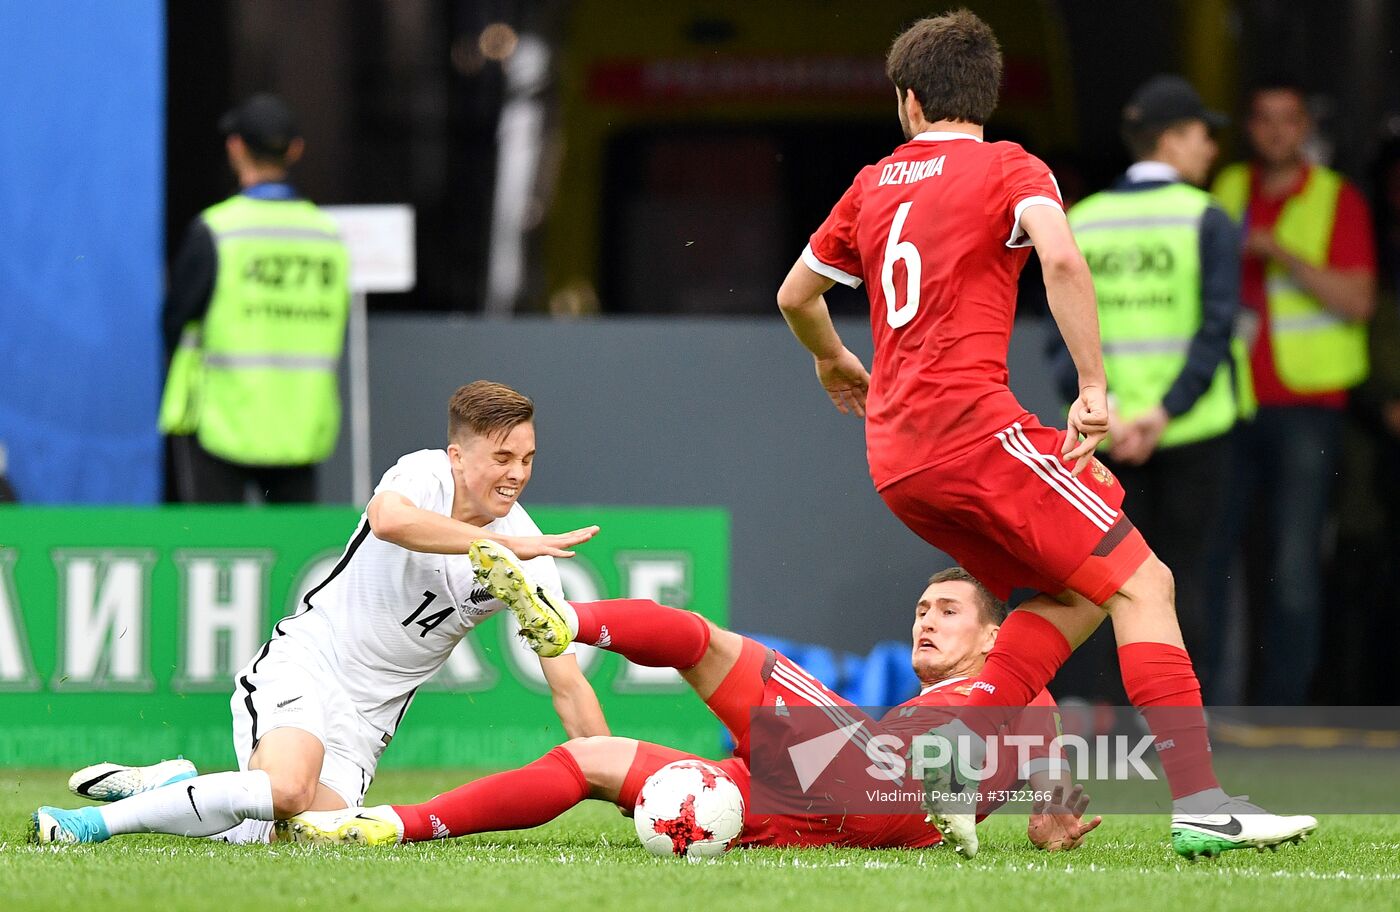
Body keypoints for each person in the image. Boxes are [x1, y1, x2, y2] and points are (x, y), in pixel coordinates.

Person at [771, 10, 1313, 857]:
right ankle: (1203, 801)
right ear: (986, 96)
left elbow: (795, 296)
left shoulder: (872, 182)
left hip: (897, 459)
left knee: (1077, 593)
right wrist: (1094, 387)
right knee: (1146, 583)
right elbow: (1059, 258)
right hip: (973, 436)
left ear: (909, 102)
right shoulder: (1009, 165)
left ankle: (970, 766)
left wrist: (834, 362)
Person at [31, 381, 607, 845]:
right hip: (310, 662)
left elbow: (567, 684)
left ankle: (183, 784)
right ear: (457, 456)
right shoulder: (423, 475)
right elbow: (390, 522)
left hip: (367, 722)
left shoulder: (530, 552)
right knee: (285, 790)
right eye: (502, 457)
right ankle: (90, 827)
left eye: (528, 459)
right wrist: (497, 549)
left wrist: (626, 778)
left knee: (294, 835)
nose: (517, 474)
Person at [278, 559, 1103, 856]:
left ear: (999, 638)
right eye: (921, 609)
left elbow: (1041, 717)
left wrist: (1050, 799)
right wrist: (1044, 810)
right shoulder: (994, 703)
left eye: (948, 611)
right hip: (820, 809)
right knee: (591, 763)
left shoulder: (1014, 683)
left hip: (862, 768)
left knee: (706, 644)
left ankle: (570, 623)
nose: (926, 619)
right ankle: (394, 825)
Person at [1056, 75, 1248, 696]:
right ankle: (1186, 726)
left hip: (1101, 437)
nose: (1210, 149)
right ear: (1170, 139)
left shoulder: (1081, 221)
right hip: (1192, 431)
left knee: (1106, 583)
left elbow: (1059, 338)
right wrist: (1163, 414)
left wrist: (1106, 409)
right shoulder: (1207, 217)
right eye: (1200, 134)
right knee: (1189, 581)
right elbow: (1217, 331)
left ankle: (1103, 719)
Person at [1210, 80, 1377, 704]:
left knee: (1294, 569)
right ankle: (1206, 709)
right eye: (1264, 118)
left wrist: (1277, 250)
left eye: (1289, 119)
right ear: (1249, 127)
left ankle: (1284, 713)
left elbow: (1357, 302)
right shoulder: (1225, 191)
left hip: (1307, 408)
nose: (1277, 131)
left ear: (1305, 126)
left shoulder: (1337, 200)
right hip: (1229, 402)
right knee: (1213, 561)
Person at [159, 93, 351, 504]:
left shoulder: (217, 230)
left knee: (216, 555)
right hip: (301, 425)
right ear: (296, 150)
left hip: (220, 422)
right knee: (295, 558)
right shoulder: (328, 237)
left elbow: (175, 320)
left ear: (235, 147)